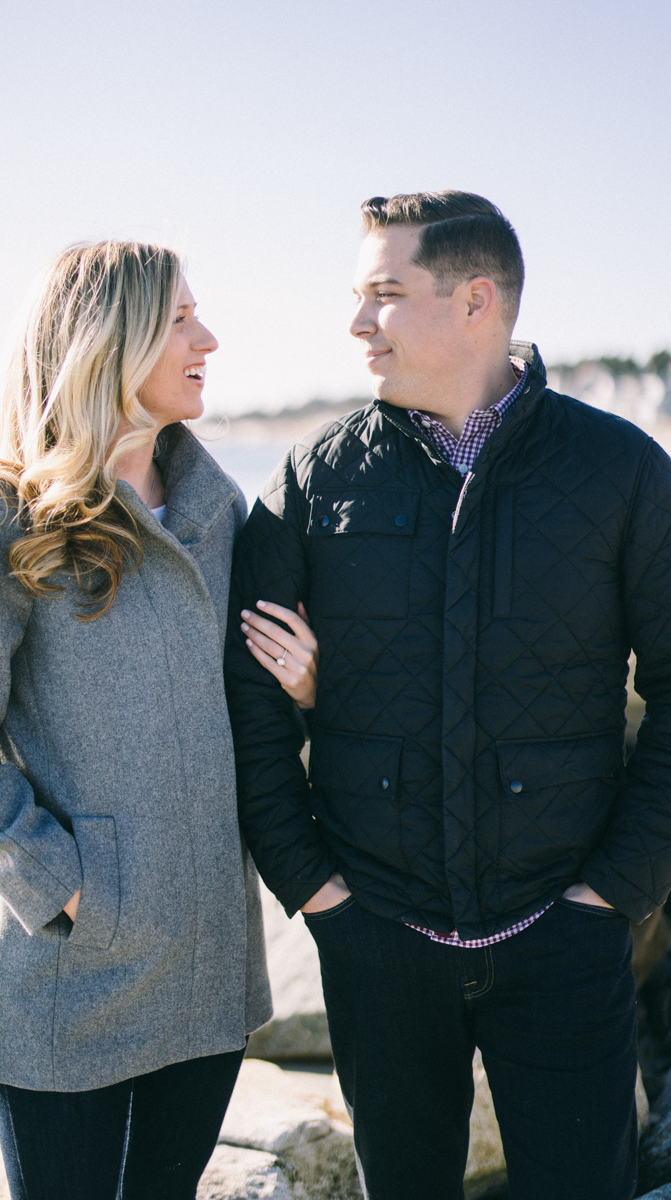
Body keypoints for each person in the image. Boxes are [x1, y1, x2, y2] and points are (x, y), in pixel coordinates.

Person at [226, 191, 671, 1200]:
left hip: (563, 943)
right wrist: (318, 895)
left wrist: (610, 898)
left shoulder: (619, 472)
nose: (355, 323)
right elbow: (250, 706)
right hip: (376, 942)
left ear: (475, 300)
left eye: (384, 294)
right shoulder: (312, 477)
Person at [0, 240, 316, 1200]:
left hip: (209, 959)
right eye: (179, 319)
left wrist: (305, 694)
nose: (207, 337)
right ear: (108, 340)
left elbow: (250, 718)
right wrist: (62, 884)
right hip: (69, 969)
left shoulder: (224, 517)